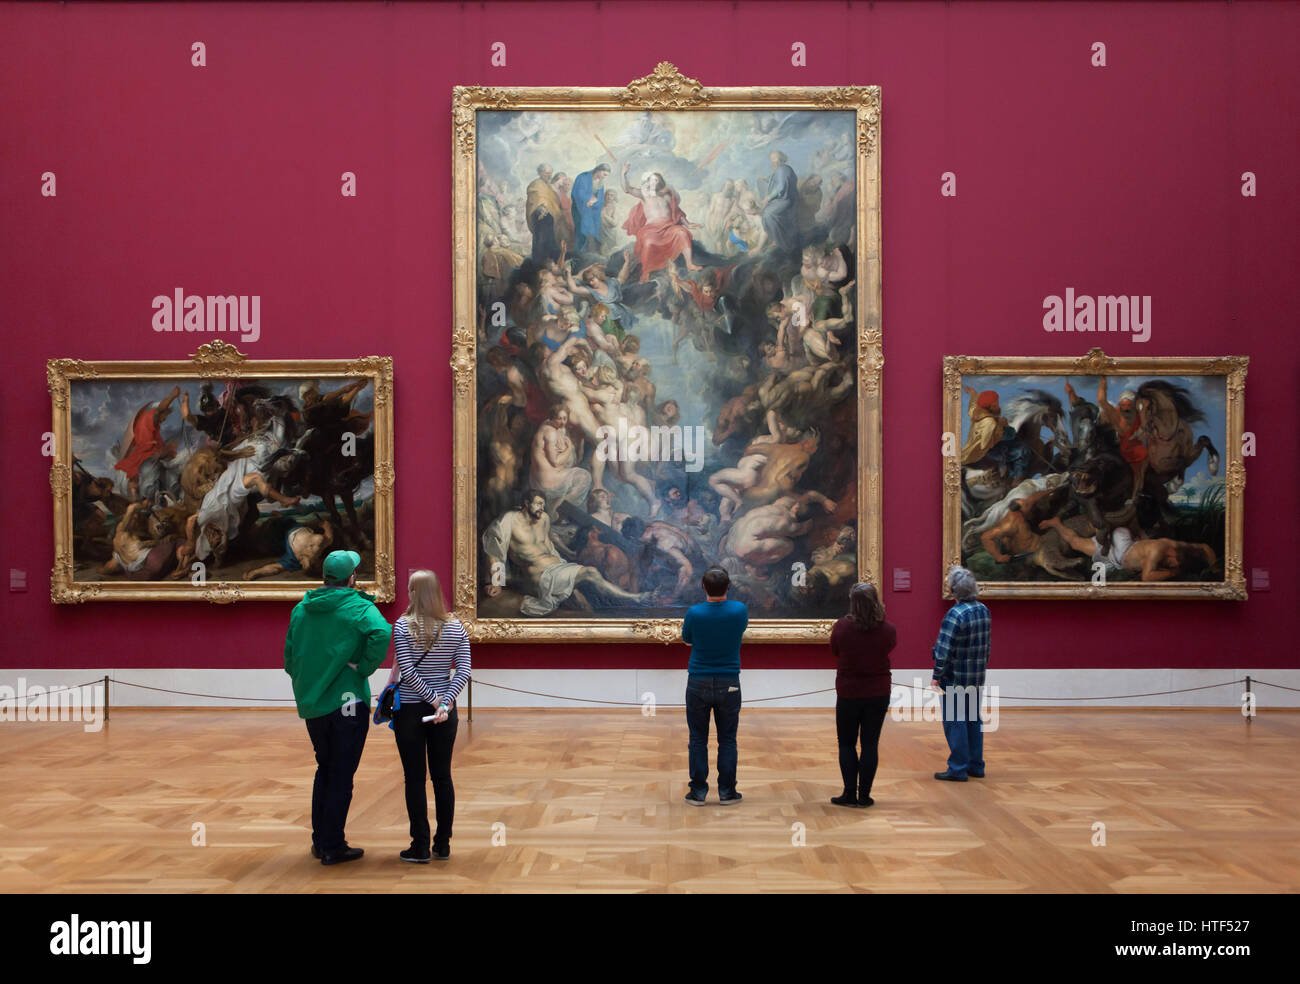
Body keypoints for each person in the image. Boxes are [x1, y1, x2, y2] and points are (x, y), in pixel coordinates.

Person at [283, 550, 391, 865]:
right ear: (351, 578)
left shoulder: (302, 610)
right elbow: (382, 632)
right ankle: (333, 845)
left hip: (314, 703)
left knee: (325, 767)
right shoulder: (357, 608)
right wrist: (365, 667)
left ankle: (321, 840)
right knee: (342, 773)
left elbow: (290, 655)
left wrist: (306, 678)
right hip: (347, 703)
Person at [384, 570, 471, 863]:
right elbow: (464, 671)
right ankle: (443, 844)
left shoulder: (401, 626)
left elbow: (407, 672)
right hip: (445, 713)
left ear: (413, 593)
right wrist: (444, 704)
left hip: (410, 709)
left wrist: (434, 702)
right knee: (442, 777)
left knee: (414, 778)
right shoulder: (457, 627)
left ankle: (419, 845)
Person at [680, 566, 748, 806]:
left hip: (698, 680)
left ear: (703, 587)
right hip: (729, 681)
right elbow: (738, 632)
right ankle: (727, 792)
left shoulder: (694, 613)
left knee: (698, 739)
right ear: (728, 587)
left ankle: (698, 792)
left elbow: (687, 639)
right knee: (728, 739)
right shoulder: (739, 610)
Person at [830, 582, 896, 807]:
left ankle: (849, 793)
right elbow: (889, 648)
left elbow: (835, 650)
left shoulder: (841, 627)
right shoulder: (888, 629)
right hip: (878, 691)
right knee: (870, 744)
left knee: (846, 743)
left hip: (849, 691)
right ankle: (864, 795)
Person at [930, 566, 992, 782]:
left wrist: (936, 675)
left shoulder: (954, 614)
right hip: (976, 677)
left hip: (955, 678)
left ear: (955, 590)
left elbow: (943, 651)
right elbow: (986, 646)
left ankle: (957, 768)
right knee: (973, 720)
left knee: (955, 721)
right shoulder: (983, 610)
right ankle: (976, 765)